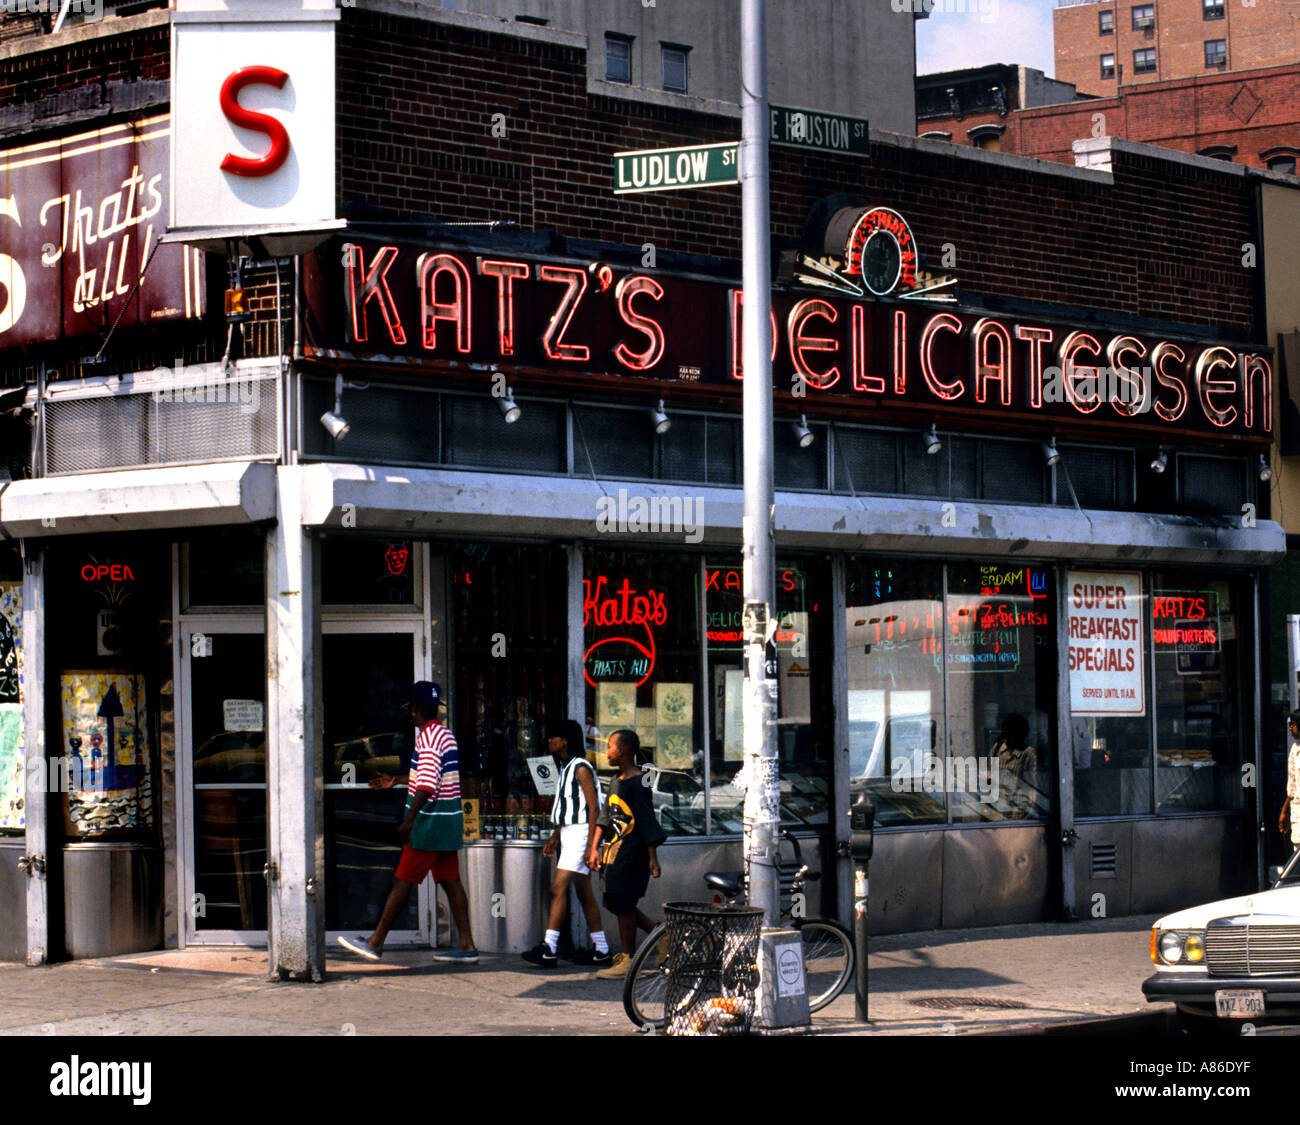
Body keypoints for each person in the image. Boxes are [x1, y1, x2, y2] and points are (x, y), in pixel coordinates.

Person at [337, 681, 478, 963]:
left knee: (403, 881)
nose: (409, 714)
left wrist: (409, 821)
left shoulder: (427, 737)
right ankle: (466, 945)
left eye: (410, 709)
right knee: (451, 882)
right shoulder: (445, 734)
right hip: (447, 821)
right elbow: (431, 776)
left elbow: (426, 784)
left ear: (415, 709)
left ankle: (375, 942)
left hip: (429, 822)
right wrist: (397, 780)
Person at [521, 719, 612, 968]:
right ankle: (601, 949)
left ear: (566, 741)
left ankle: (549, 948)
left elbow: (594, 808)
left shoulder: (581, 768)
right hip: (571, 833)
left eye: (554, 737)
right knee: (584, 892)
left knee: (557, 888)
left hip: (582, 833)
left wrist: (591, 846)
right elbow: (568, 809)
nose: (550, 740)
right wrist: (555, 836)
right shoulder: (567, 767)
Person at [585, 729, 666, 980]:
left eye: (610, 746)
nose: (606, 752)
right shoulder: (615, 781)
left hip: (633, 852)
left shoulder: (639, 783)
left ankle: (628, 962)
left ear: (622, 751)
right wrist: (594, 848)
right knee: (616, 901)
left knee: (623, 902)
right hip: (613, 850)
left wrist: (652, 857)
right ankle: (661, 936)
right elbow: (604, 817)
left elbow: (645, 820)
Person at [1278, 710, 1300, 854]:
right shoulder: (1294, 750)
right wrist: (1284, 811)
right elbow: (1292, 787)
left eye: (1293, 724)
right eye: (1289, 724)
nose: (1290, 728)